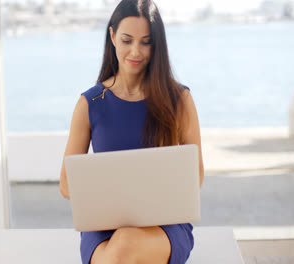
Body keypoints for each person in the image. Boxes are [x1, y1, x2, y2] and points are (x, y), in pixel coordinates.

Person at [58, 0, 205, 263]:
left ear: (156, 44)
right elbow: (67, 185)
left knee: (124, 247)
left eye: (146, 42)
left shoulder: (179, 99)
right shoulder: (89, 104)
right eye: (127, 40)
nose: (135, 51)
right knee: (122, 247)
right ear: (112, 36)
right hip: (102, 228)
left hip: (166, 225)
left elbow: (196, 176)